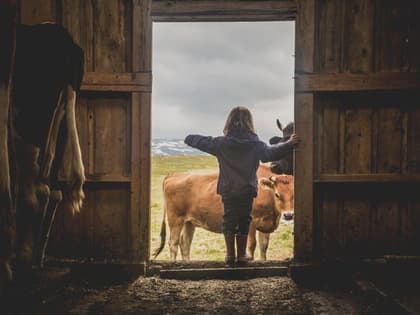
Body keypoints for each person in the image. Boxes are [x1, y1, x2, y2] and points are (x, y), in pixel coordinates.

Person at [184, 106, 299, 267]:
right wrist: (289, 144)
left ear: (229, 122)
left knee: (229, 220)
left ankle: (230, 256)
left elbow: (196, 140)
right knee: (245, 221)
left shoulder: (220, 143)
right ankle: (242, 256)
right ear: (250, 123)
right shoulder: (255, 145)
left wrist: (189, 138)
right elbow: (271, 154)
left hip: (228, 190)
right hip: (247, 189)